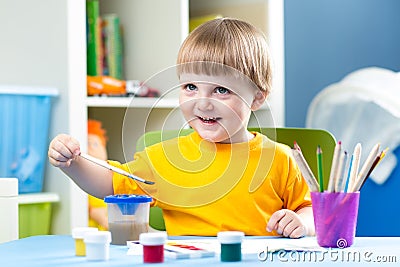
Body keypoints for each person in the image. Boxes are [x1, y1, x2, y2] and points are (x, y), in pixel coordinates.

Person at [48, 18, 315, 238]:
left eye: (221, 90)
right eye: (190, 87)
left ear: (258, 97)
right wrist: (72, 164)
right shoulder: (166, 158)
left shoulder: (280, 159)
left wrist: (301, 222)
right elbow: (110, 183)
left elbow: (313, 211)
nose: (203, 103)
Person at [87, 119, 109, 230]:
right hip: (95, 229)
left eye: (95, 144)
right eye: (87, 143)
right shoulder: (87, 176)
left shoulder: (109, 172)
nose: (90, 147)